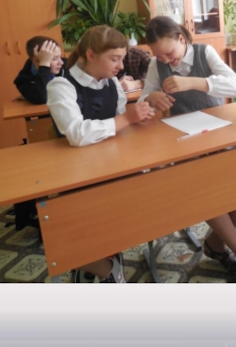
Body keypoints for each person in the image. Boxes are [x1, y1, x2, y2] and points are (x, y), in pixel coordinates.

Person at [139, 16, 236, 282]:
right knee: (206, 190)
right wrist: (151, 97)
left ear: (182, 39)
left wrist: (195, 82)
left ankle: (215, 241)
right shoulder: (157, 64)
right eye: (159, 56)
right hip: (185, 140)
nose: (166, 60)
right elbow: (145, 97)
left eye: (169, 52)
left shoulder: (205, 52)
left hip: (219, 132)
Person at [46, 25, 156, 282]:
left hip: (110, 165)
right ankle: (105, 266)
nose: (121, 66)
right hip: (75, 173)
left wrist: (139, 116)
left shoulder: (112, 84)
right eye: (115, 59)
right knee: (70, 235)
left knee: (126, 214)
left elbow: (120, 123)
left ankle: (106, 256)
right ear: (90, 55)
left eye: (122, 59)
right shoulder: (61, 85)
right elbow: (76, 133)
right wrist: (126, 119)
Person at [13, 36, 67, 104]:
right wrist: (44, 65)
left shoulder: (67, 66)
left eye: (59, 56)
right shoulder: (23, 81)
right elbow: (43, 98)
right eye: (54, 58)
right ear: (36, 61)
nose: (61, 62)